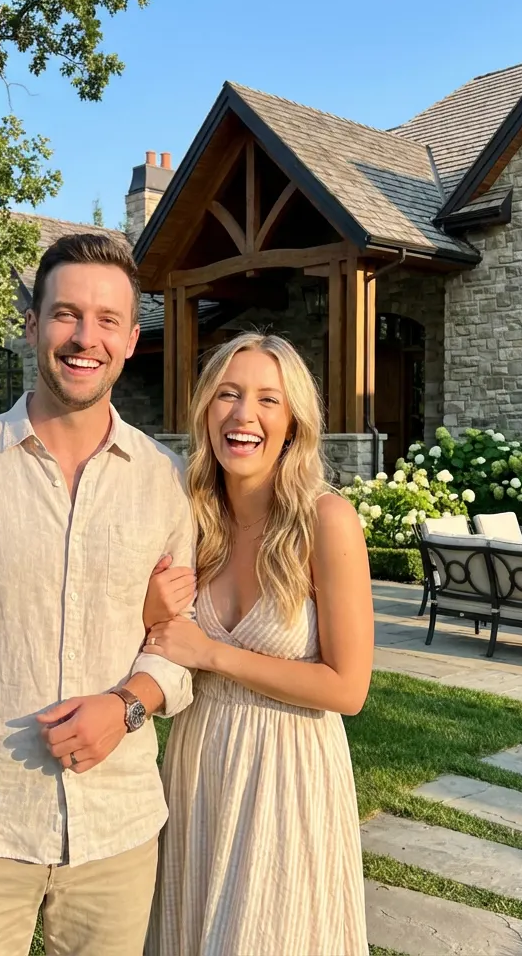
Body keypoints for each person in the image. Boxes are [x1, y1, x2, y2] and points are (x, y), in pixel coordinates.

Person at [0, 233, 197, 956]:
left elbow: (184, 641)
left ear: (131, 339)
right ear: (32, 325)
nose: (85, 338)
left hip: (118, 828)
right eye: (66, 314)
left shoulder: (165, 481)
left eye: (108, 320)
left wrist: (128, 704)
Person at [141, 332, 374, 956]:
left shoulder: (325, 521)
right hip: (198, 763)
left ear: (293, 421)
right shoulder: (192, 518)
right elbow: (157, 638)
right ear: (205, 411)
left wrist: (213, 653)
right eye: (228, 394)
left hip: (289, 769)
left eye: (268, 400)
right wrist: (151, 612)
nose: (244, 415)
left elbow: (348, 688)